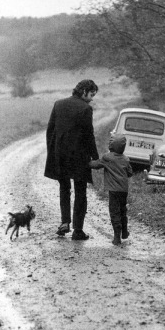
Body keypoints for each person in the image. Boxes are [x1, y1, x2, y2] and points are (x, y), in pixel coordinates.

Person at [44, 79, 99, 240]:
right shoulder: (86, 109)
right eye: (91, 94)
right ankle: (78, 230)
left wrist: (52, 152)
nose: (92, 98)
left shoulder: (58, 104)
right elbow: (89, 135)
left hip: (60, 155)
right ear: (84, 92)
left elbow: (50, 131)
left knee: (64, 189)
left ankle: (65, 223)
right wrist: (95, 157)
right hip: (79, 157)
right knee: (80, 191)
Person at [89, 134, 133, 245]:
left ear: (111, 145)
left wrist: (87, 162)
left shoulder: (107, 158)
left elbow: (96, 165)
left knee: (114, 212)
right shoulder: (126, 159)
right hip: (123, 190)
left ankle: (117, 237)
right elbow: (130, 173)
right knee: (123, 210)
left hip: (113, 191)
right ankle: (124, 232)